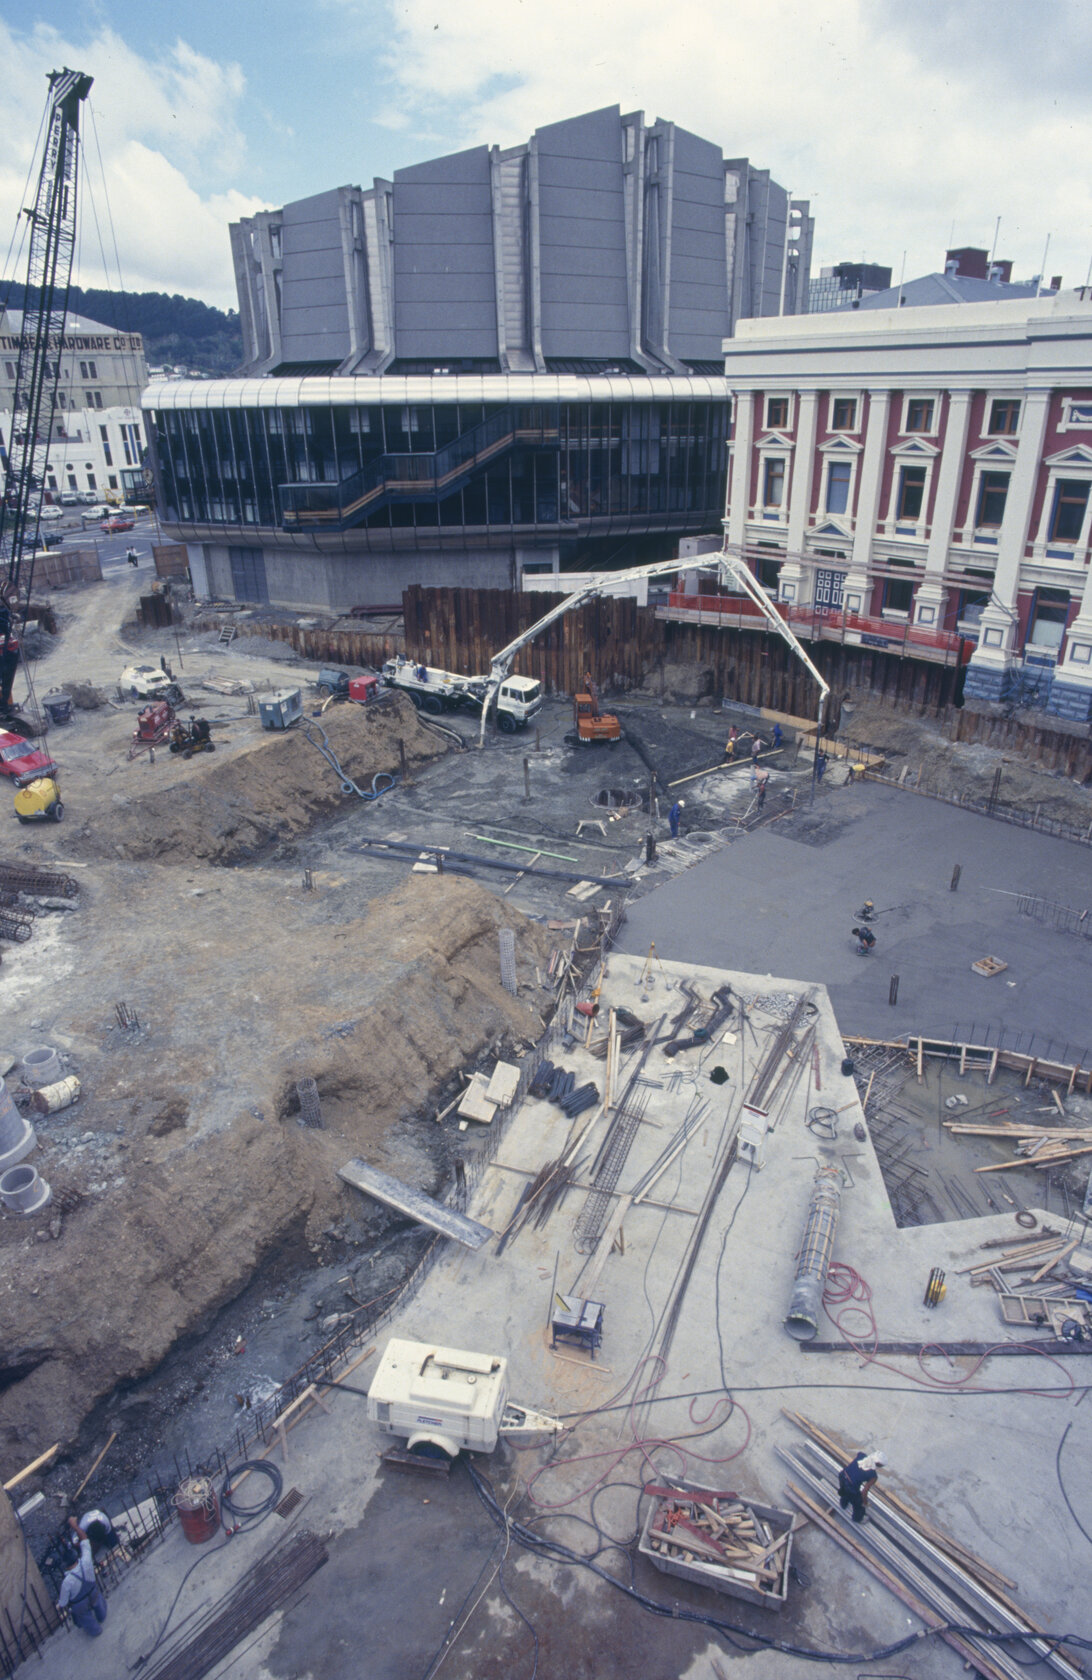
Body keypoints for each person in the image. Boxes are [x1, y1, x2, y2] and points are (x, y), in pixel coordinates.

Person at [56, 1535, 107, 1636]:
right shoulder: (86, 1561)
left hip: (80, 1603)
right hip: (93, 1591)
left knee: (84, 1616)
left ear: (65, 1566)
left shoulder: (67, 1582)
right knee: (98, 1602)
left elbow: (63, 1602)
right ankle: (102, 1616)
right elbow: (86, 1545)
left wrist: (59, 1605)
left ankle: (95, 1631)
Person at [838, 1449, 886, 1523]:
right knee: (858, 1505)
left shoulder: (861, 1455)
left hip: (842, 1476)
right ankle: (857, 1519)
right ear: (879, 1465)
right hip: (851, 1487)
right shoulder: (873, 1476)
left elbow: (857, 1465)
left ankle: (843, 1504)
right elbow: (864, 1491)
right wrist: (864, 1503)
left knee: (844, 1492)